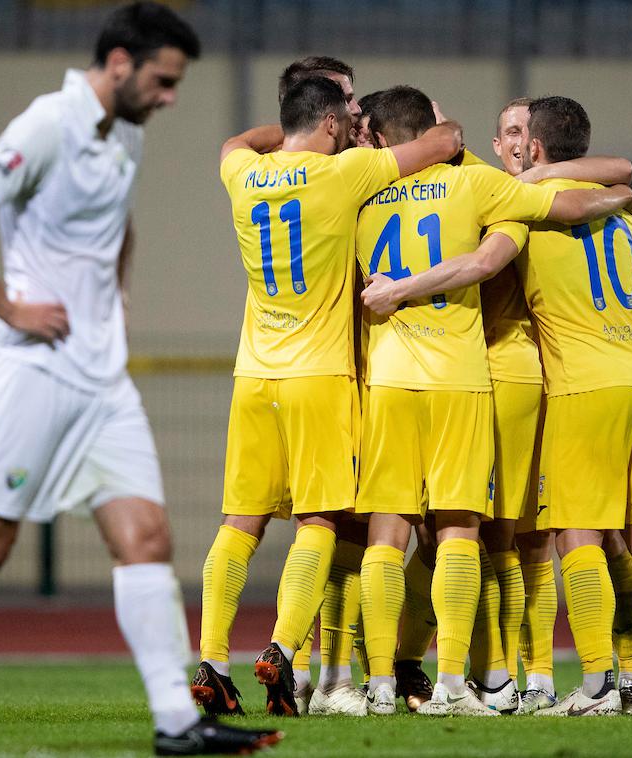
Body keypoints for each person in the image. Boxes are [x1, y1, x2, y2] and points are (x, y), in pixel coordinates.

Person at [0, 4, 281, 755]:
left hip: (102, 380)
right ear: (121, 64)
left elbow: (118, 224)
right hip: (34, 370)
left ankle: (176, 722)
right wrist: (9, 306)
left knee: (147, 537)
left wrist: (116, 301)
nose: (171, 97)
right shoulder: (49, 121)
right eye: (164, 81)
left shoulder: (125, 133)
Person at [361, 94, 632, 718]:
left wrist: (398, 290)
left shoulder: (511, 202)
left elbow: (484, 262)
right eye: (501, 132)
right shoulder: (615, 204)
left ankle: (558, 679)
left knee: (538, 537)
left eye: (519, 134)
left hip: (551, 381)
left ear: (533, 146)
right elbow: (622, 173)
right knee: (631, 534)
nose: (509, 145)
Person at [192, 75, 463, 719]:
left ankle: (209, 659)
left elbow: (235, 140)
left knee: (239, 524)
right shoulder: (344, 177)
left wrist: (288, 128)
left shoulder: (241, 173)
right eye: (342, 114)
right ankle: (283, 650)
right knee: (320, 522)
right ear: (330, 122)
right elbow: (444, 140)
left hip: (254, 374)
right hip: (319, 375)